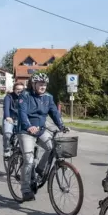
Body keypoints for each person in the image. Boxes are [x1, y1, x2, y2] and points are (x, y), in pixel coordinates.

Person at [17, 72, 66, 201]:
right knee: (28, 159)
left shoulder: (48, 97)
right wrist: (28, 126)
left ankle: (39, 169)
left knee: (51, 147)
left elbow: (54, 113)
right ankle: (26, 189)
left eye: (44, 84)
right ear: (34, 84)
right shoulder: (25, 95)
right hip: (26, 131)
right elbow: (22, 113)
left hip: (40, 130)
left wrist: (61, 125)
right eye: (40, 84)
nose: (43, 86)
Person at [2, 82, 24, 157]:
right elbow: (6, 108)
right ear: (14, 89)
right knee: (7, 134)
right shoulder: (9, 97)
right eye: (17, 89)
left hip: (21, 119)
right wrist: (8, 117)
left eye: (21, 89)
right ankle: (6, 149)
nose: (19, 91)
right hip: (10, 118)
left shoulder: (25, 97)